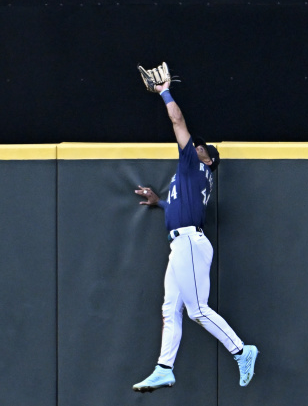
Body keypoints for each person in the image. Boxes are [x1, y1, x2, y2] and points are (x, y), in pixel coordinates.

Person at [132, 76, 258, 393]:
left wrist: (164, 93)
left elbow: (177, 120)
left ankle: (242, 351)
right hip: (182, 242)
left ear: (207, 157)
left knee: (197, 310)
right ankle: (164, 368)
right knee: (169, 309)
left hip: (190, 242)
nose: (194, 145)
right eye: (196, 144)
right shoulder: (191, 176)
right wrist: (158, 202)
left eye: (201, 146)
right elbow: (181, 208)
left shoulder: (194, 164)